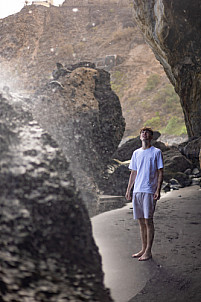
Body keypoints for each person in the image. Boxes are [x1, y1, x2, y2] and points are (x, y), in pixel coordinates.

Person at [125, 127, 163, 261]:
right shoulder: (136, 153)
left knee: (148, 221)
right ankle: (143, 248)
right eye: (142, 132)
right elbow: (133, 172)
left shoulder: (156, 152)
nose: (144, 134)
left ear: (151, 137)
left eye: (147, 133)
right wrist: (129, 189)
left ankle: (148, 251)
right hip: (137, 190)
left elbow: (160, 172)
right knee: (141, 221)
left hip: (149, 190)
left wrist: (158, 190)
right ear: (140, 136)